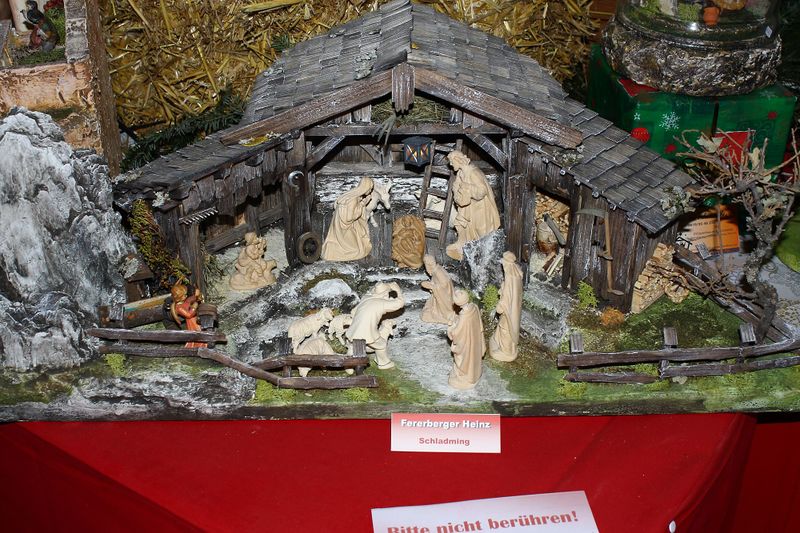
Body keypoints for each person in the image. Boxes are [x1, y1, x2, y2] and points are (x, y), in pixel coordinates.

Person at [445, 151, 501, 260]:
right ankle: (463, 246)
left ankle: (487, 255)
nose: (451, 164)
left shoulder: (474, 172)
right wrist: (457, 192)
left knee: (481, 230)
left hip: (480, 207)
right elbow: (456, 186)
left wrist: (467, 188)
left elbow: (482, 191)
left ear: (458, 160)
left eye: (452, 161)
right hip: (468, 207)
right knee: (462, 225)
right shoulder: (461, 173)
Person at [347, 282, 405, 369]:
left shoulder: (366, 298)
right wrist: (397, 290)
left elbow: (353, 312)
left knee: (352, 346)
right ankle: (383, 363)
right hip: (366, 332)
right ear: (385, 294)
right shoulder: (381, 303)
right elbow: (399, 304)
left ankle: (348, 366)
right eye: (388, 294)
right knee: (381, 345)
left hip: (353, 330)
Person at [321, 177, 374, 261]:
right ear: (365, 187)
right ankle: (335, 253)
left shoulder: (349, 195)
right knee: (357, 249)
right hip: (344, 227)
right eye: (370, 188)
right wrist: (362, 205)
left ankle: (332, 251)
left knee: (358, 242)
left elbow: (336, 205)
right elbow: (349, 218)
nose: (370, 191)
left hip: (339, 224)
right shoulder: (353, 200)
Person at [447, 289, 485, 389]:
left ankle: (465, 375)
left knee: (465, 360)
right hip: (475, 339)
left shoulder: (464, 316)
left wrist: (450, 328)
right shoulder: (474, 307)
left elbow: (457, 333)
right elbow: (478, 324)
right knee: (473, 357)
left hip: (466, 344)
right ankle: (474, 373)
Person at [489, 252, 524, 362]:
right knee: (503, 327)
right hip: (513, 308)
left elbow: (507, 295)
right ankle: (499, 342)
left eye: (504, 261)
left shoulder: (510, 277)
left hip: (509, 309)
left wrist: (501, 305)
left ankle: (507, 351)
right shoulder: (516, 273)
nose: (502, 263)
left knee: (506, 329)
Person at [420, 254, 455, 324]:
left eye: (426, 265)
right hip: (437, 296)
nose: (426, 269)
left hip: (444, 298)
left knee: (426, 315)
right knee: (426, 312)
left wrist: (432, 287)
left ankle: (445, 318)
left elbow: (444, 284)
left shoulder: (438, 272)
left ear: (428, 265)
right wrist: (432, 285)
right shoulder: (436, 270)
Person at [169, 282, 206, 348]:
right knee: (196, 333)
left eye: (186, 294)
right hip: (191, 322)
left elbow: (190, 299)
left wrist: (196, 295)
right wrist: (195, 306)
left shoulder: (184, 301)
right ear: (178, 298)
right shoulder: (179, 308)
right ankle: (198, 344)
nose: (186, 296)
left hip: (195, 319)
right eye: (184, 295)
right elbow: (189, 315)